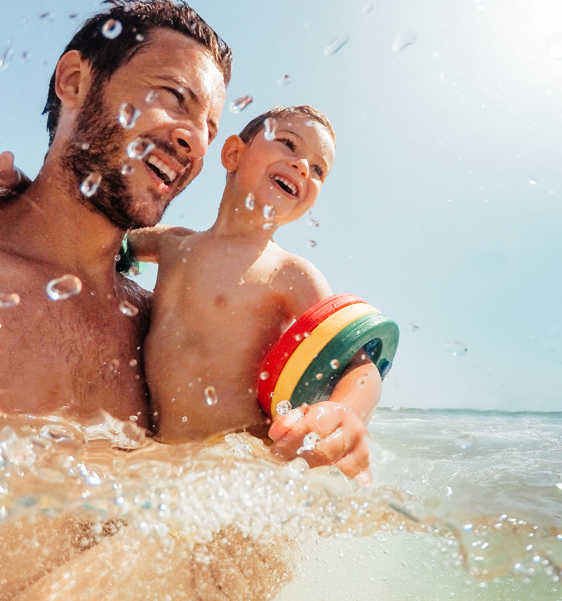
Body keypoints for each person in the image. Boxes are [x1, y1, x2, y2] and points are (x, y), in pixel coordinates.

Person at [127, 105, 380, 481]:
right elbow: (105, 239)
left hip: (239, 469)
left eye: (318, 169)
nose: (302, 167)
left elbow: (359, 367)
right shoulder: (172, 246)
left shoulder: (290, 273)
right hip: (161, 460)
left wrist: (345, 412)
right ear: (233, 154)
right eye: (289, 144)